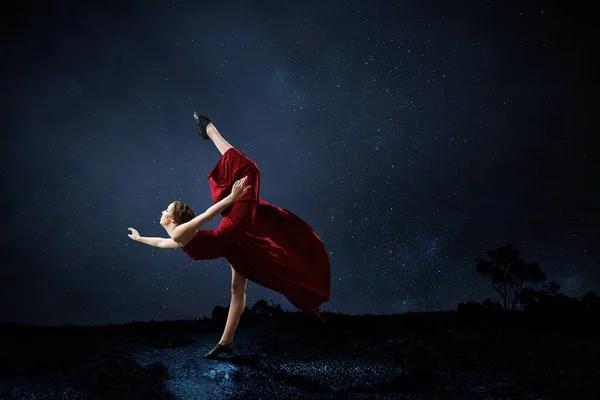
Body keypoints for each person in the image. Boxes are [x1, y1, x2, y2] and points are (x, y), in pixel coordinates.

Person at [127, 112, 331, 359]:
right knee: (237, 291)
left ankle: (210, 129)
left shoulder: (182, 232)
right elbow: (161, 241)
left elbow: (204, 216)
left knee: (246, 172)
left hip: (231, 233)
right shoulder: (179, 235)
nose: (162, 212)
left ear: (174, 219)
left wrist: (231, 199)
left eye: (166, 210)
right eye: (166, 209)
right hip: (233, 245)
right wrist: (139, 238)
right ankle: (227, 342)